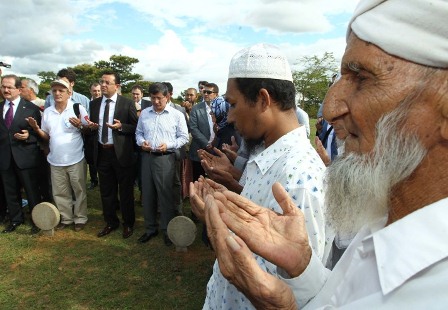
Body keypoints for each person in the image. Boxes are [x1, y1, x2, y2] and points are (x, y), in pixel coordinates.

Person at [203, 0, 448, 308]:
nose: (330, 109)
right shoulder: (382, 222)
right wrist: (302, 268)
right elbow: (337, 298)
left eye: (362, 77)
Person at [190, 43, 330, 309]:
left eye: (233, 104)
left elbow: (292, 294)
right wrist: (227, 199)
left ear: (264, 100)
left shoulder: (299, 176)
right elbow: (262, 231)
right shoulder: (267, 155)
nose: (229, 116)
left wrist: (212, 216)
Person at [26, 79, 89, 231]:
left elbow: (88, 130)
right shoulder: (47, 112)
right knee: (60, 192)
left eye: (61, 90)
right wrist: (36, 129)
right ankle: (66, 218)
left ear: (69, 93)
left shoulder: (77, 108)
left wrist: (80, 125)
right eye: (54, 90)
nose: (57, 93)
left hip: (75, 157)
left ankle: (80, 218)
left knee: (79, 190)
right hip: (55, 159)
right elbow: (47, 136)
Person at [83, 70, 138, 239]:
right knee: (106, 191)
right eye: (102, 82)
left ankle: (128, 223)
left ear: (117, 86)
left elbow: (136, 128)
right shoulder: (94, 104)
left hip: (120, 153)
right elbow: (91, 128)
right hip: (102, 153)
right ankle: (110, 222)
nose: (103, 85)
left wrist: (121, 127)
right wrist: (90, 127)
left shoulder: (127, 103)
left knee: (126, 191)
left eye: (107, 82)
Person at [135, 82, 188, 246]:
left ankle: (167, 230)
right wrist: (141, 142)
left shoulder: (176, 115)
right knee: (148, 194)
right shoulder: (144, 113)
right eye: (153, 98)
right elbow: (138, 133)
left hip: (165, 158)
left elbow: (184, 138)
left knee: (165, 195)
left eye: (159, 98)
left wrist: (169, 145)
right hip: (147, 158)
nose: (156, 101)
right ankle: (150, 228)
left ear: (167, 96)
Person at [0, 74, 42, 234]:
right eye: (3, 86)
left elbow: (39, 134)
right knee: (10, 191)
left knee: (31, 191)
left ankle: (37, 220)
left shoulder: (31, 109)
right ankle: (15, 219)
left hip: (25, 158)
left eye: (9, 87)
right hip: (5, 158)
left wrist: (28, 136)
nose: (5, 90)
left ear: (18, 89)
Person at [87, 82, 102, 190]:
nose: (96, 93)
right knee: (92, 159)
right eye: (94, 91)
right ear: (90, 91)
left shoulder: (104, 103)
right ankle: (93, 180)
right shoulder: (87, 104)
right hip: (90, 135)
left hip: (101, 135)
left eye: (98, 91)